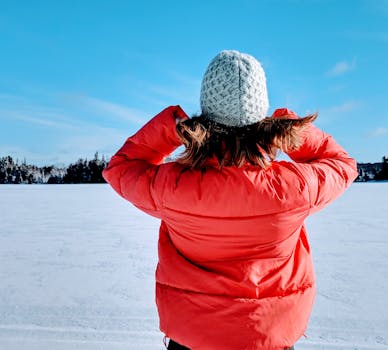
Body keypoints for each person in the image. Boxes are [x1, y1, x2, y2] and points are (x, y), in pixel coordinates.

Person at [103, 50, 358, 350]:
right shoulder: (295, 188)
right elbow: (342, 164)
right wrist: (290, 127)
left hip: (192, 339)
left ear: (206, 111)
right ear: (260, 112)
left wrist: (172, 127)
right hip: (269, 338)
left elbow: (121, 167)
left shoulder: (173, 186)